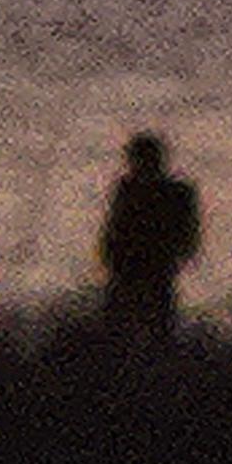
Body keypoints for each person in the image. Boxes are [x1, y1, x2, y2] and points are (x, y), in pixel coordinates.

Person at [96, 131, 201, 337]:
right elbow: (114, 228)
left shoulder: (173, 193)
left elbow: (187, 234)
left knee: (153, 323)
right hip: (131, 267)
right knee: (123, 325)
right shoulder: (129, 188)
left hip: (154, 267)